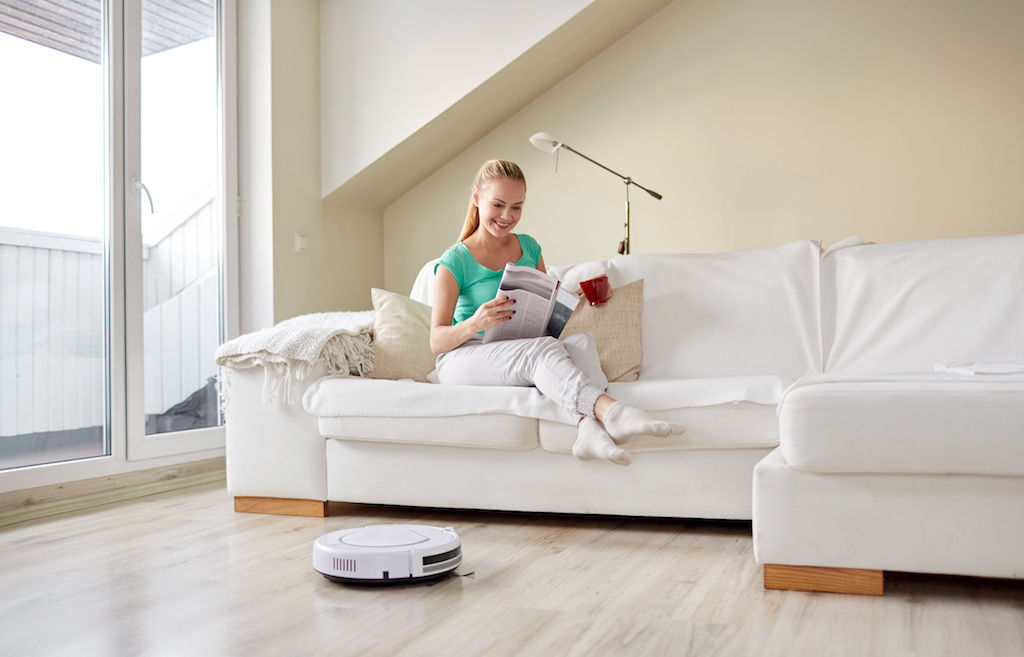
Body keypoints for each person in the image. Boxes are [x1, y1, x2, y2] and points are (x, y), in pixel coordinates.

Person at [429, 159, 684, 465]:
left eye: (516, 207)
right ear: (476, 198)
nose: (507, 216)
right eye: (498, 205)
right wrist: (475, 322)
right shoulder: (454, 261)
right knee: (542, 351)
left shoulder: (530, 248)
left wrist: (571, 300)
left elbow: (542, 308)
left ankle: (588, 429)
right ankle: (611, 412)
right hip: (463, 357)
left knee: (582, 345)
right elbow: (436, 341)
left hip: (514, 349)